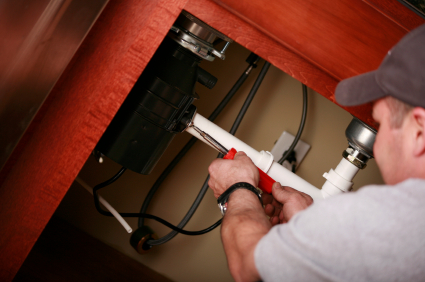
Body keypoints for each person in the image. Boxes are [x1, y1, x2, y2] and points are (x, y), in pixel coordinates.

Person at [208, 23, 425, 281]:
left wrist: (237, 188)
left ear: (419, 131)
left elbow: (248, 266)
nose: (378, 144)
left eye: (382, 124)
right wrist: (312, 224)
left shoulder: (396, 219)